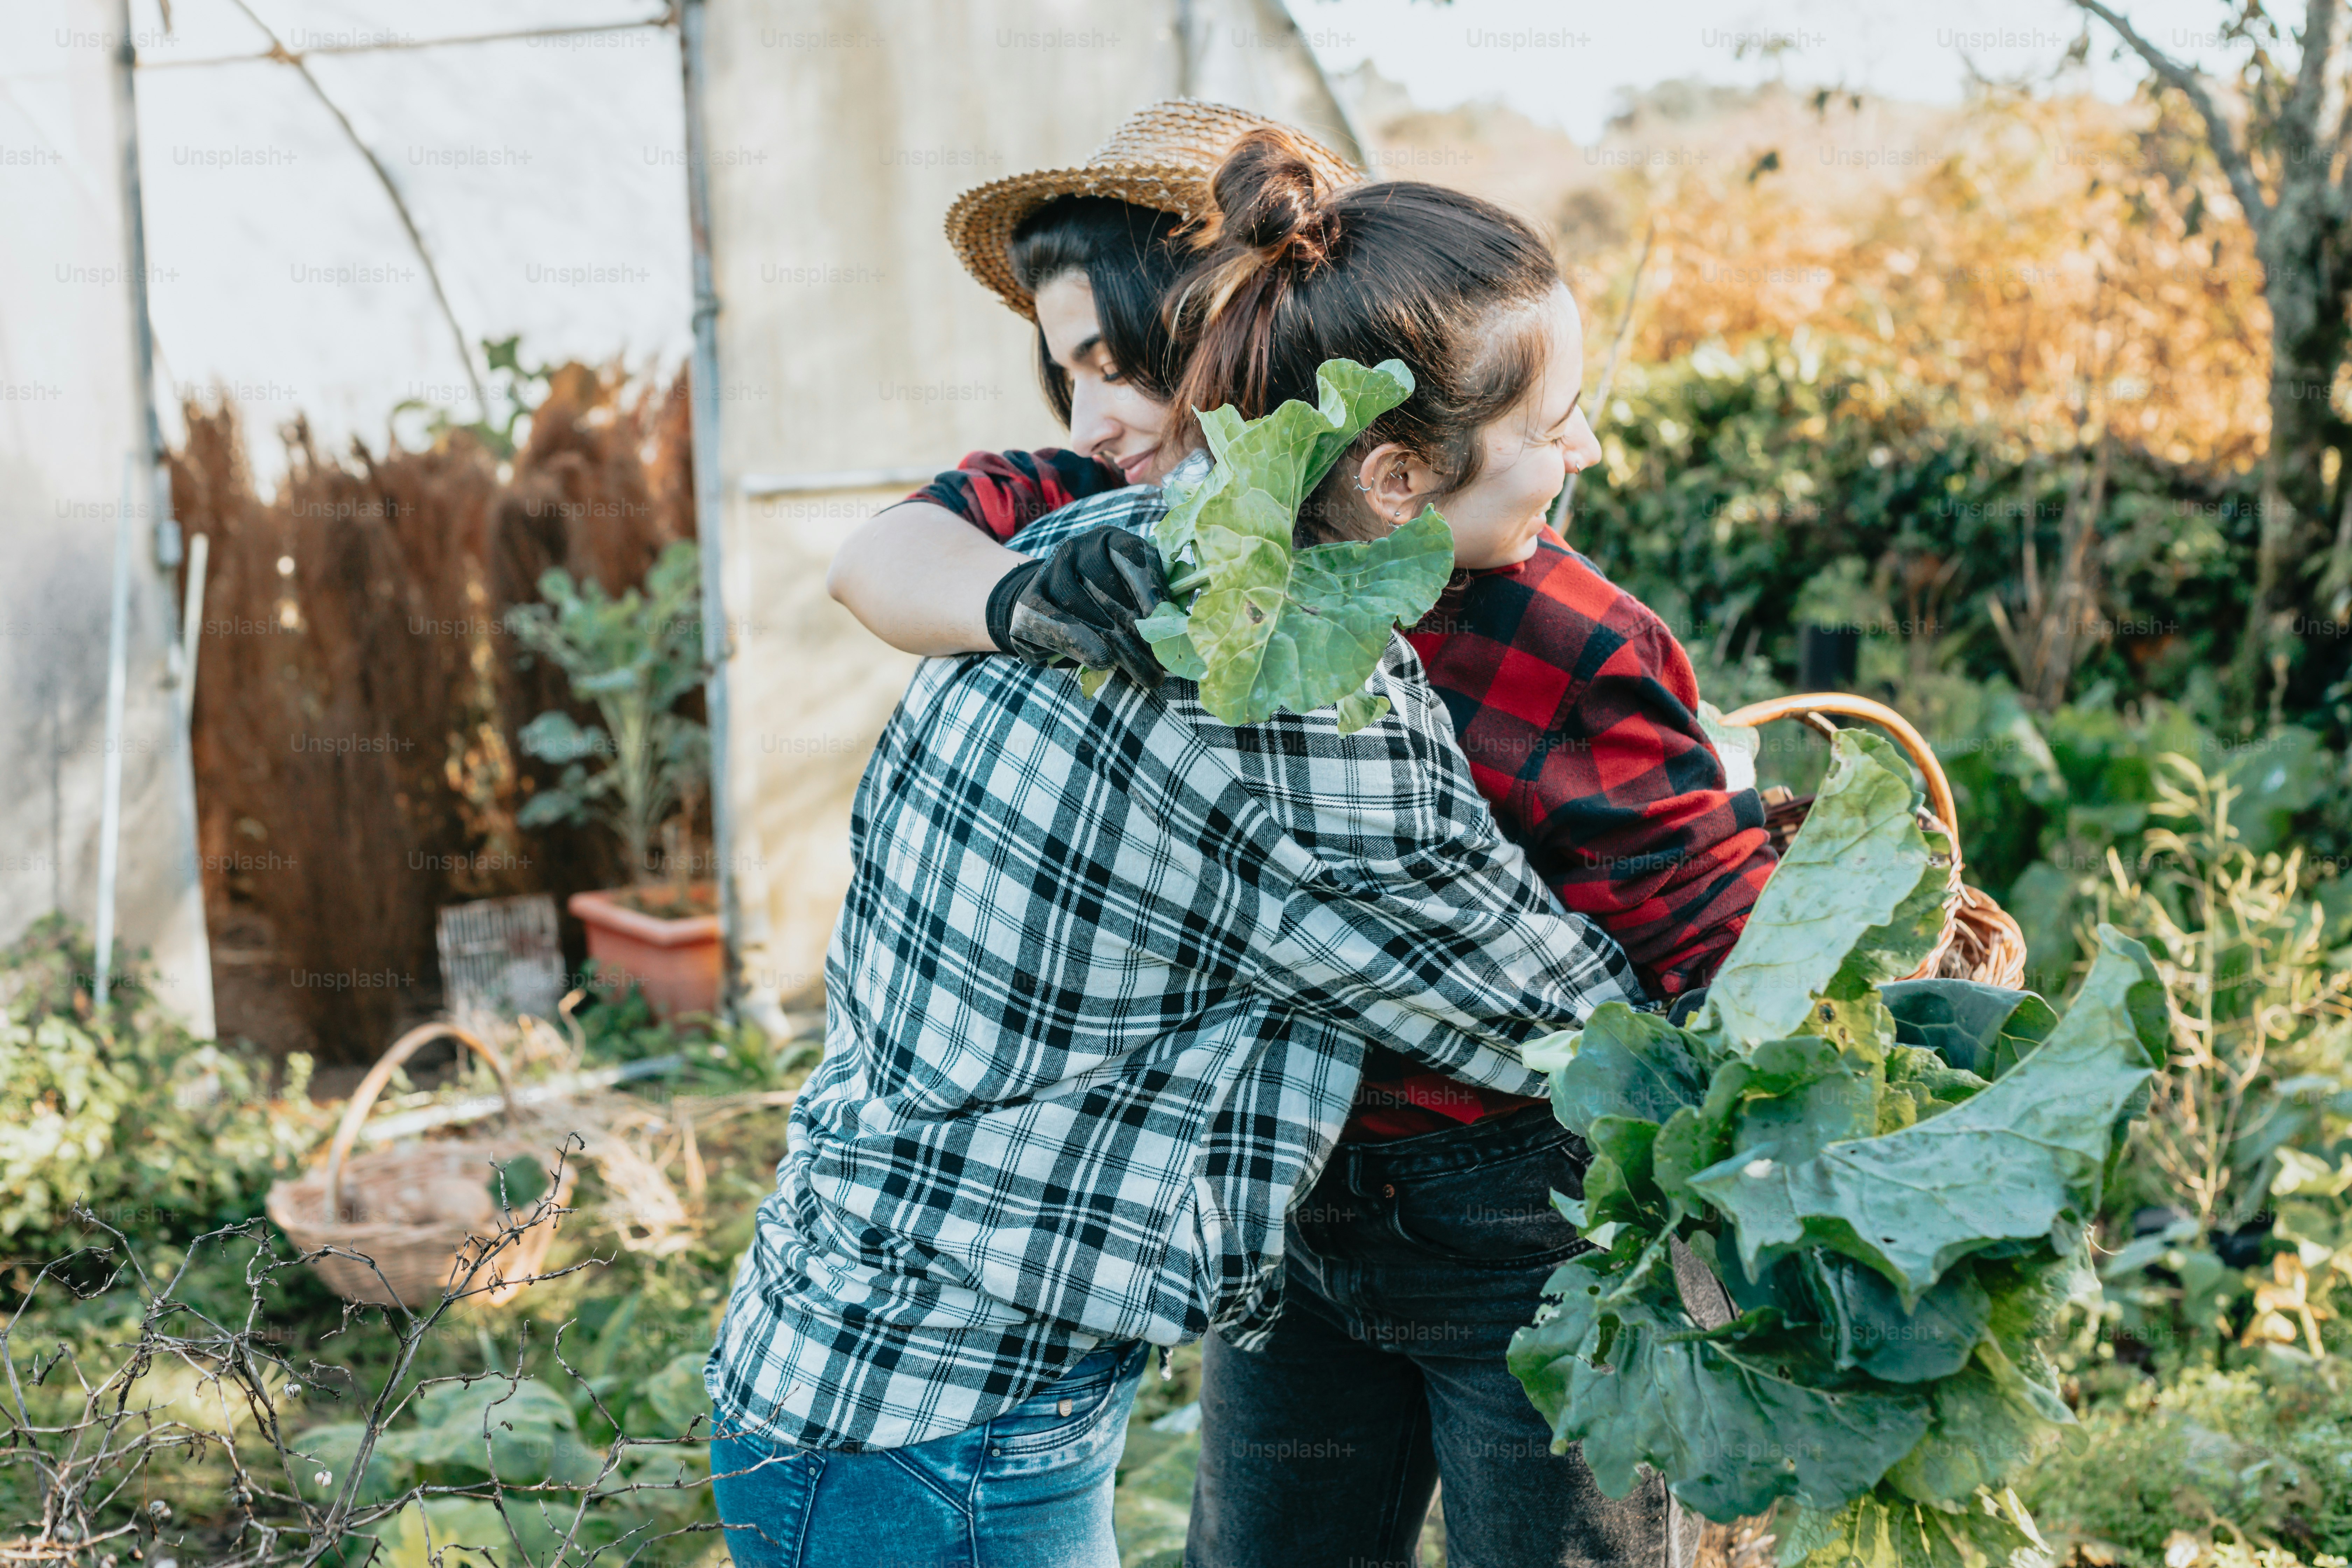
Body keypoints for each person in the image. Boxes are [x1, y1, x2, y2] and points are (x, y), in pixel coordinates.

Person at [706, 132, 1686, 1568]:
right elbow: (1564, 1019)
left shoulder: (1118, 546)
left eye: (1125, 363)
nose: (1099, 413)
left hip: (852, 1369)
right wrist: (1808, 987)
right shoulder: (1246, 659)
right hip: (946, 1435)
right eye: (1073, 373)